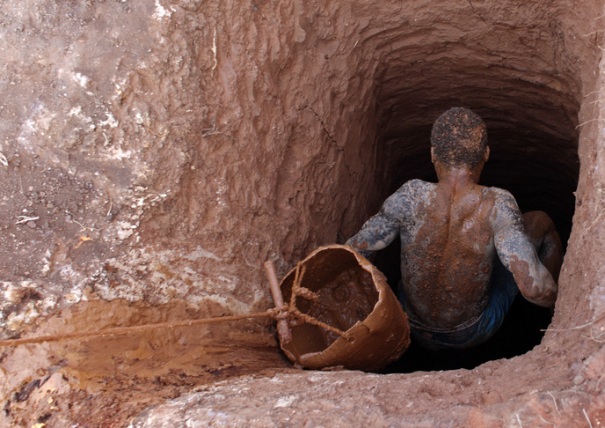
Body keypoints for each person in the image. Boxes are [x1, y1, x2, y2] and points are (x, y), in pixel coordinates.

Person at [346, 107, 563, 350]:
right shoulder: (496, 204)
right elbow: (534, 288)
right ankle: (556, 317)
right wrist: (565, 303)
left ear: (432, 154)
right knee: (540, 220)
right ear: (487, 153)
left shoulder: (409, 197)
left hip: (410, 324)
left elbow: (352, 253)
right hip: (474, 331)